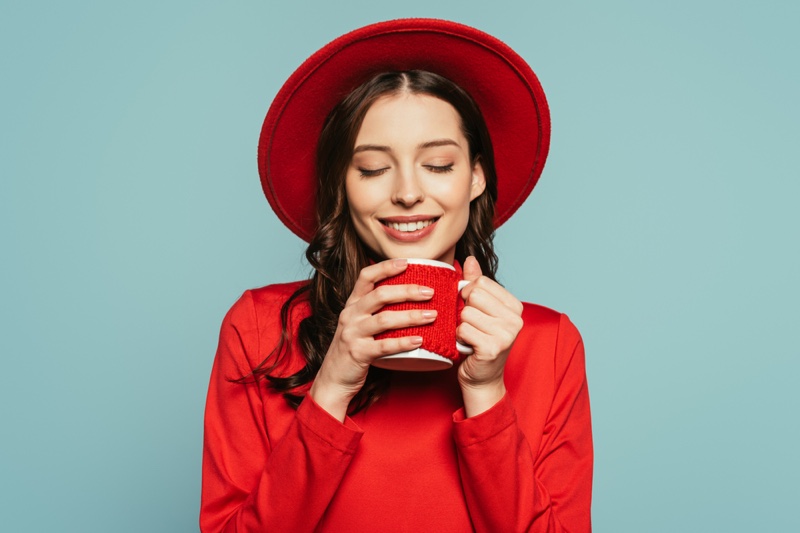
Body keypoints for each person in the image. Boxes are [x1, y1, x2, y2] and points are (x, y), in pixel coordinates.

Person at [200, 19, 592, 533]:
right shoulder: (258, 327)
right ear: (340, 185)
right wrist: (332, 386)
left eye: (438, 164)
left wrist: (487, 394)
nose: (408, 192)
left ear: (475, 176)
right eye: (371, 169)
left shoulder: (548, 344)